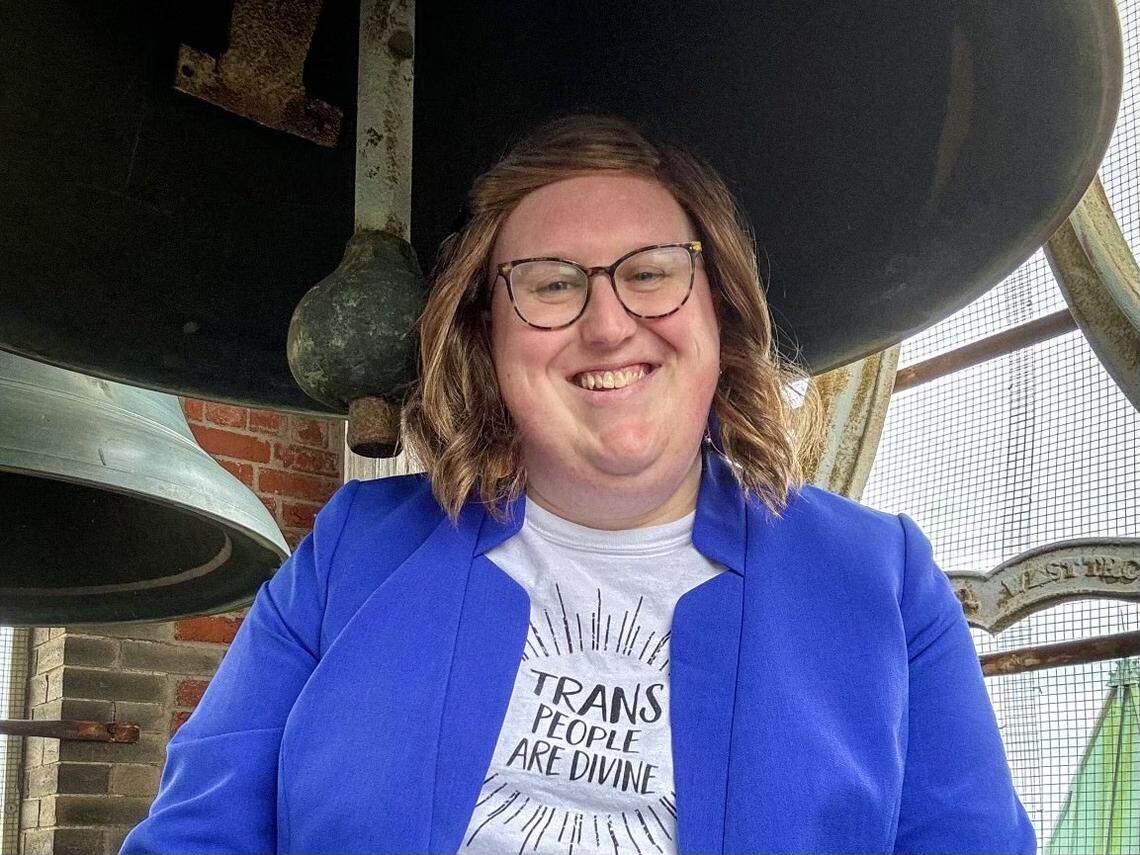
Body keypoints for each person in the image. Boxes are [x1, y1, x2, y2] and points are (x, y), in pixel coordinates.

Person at [121, 114, 1036, 854]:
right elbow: (196, 837)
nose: (607, 324)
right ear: (487, 333)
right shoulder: (354, 551)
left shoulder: (882, 581)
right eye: (553, 285)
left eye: (651, 274)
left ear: (717, 310)